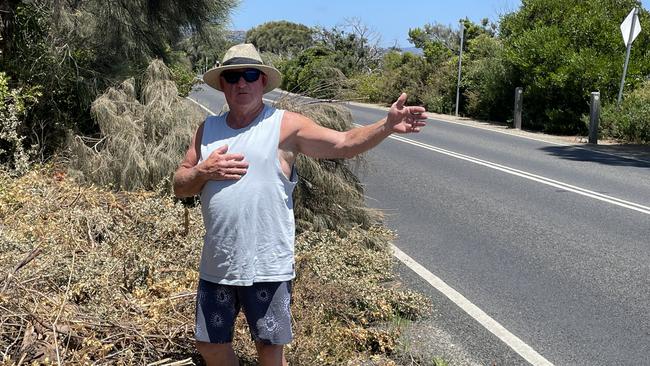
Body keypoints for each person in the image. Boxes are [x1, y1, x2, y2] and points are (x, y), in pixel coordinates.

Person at [173, 43, 427, 366]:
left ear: (262, 81)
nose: (241, 83)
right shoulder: (206, 130)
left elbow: (343, 144)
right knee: (209, 344)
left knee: (269, 350)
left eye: (250, 75)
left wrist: (386, 126)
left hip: (267, 266)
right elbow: (180, 184)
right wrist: (201, 171)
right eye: (233, 76)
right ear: (222, 83)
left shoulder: (285, 126)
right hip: (217, 265)